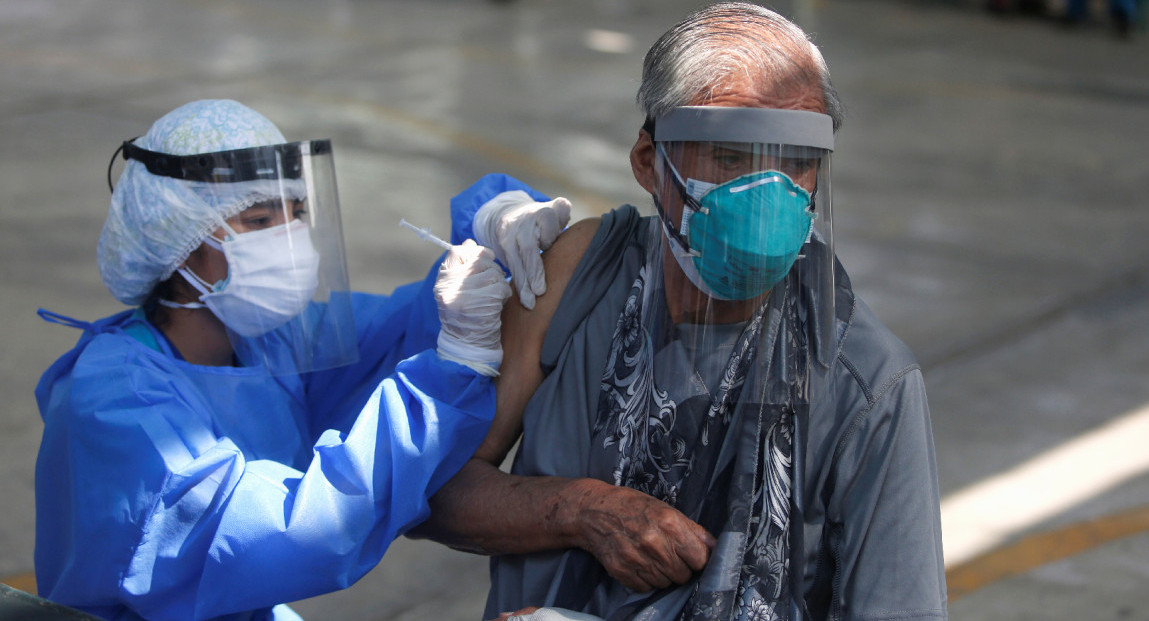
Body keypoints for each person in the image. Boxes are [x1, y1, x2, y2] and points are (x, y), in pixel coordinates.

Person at [413, 4, 948, 620]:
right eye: (728, 158)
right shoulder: (581, 274)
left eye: (795, 161)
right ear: (648, 162)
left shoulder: (863, 380)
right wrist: (582, 511)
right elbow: (434, 489)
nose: (765, 199)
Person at [33, 99, 570, 621]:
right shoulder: (112, 403)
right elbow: (298, 533)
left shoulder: (271, 344)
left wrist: (494, 224)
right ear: (177, 243)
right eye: (261, 219)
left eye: (297, 213)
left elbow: (405, 327)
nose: (289, 238)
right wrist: (453, 366)